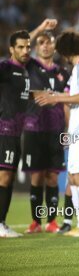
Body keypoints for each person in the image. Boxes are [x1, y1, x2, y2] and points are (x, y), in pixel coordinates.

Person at [35, 30, 79, 237]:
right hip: (78, 129)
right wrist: (58, 96)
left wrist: (57, 99)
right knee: (73, 177)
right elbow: (77, 97)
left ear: (65, 50)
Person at [23, 20, 70, 234]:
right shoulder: (30, 66)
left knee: (52, 176)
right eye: (40, 42)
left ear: (54, 46)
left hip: (55, 130)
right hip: (33, 129)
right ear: (36, 46)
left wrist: (68, 131)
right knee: (37, 176)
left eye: (48, 42)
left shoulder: (64, 73)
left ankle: (51, 221)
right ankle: (35, 221)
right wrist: (40, 28)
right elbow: (22, 44)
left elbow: (68, 103)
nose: (44, 46)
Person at [0, 30, 31, 238]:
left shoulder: (25, 70)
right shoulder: (6, 68)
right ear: (11, 49)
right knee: (4, 177)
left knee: (8, 178)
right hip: (5, 130)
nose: (25, 50)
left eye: (28, 46)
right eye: (20, 47)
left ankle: (2, 223)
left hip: (15, 132)